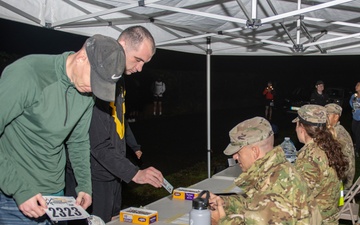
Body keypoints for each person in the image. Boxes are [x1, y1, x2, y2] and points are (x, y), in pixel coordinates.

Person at [0, 34, 125, 224]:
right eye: (95, 80)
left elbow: (79, 140)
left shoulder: (86, 90)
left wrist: (84, 185)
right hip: (15, 197)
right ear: (82, 57)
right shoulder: (27, 74)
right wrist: (19, 189)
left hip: (56, 197)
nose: (94, 90)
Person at [65, 26, 164, 223]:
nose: (140, 68)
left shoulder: (119, 81)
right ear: (122, 45)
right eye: (138, 60)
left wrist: (132, 147)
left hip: (113, 172)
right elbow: (98, 144)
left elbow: (119, 119)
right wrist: (134, 173)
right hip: (91, 177)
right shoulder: (95, 79)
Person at [209, 116, 320, 225]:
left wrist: (220, 221)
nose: (235, 157)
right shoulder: (277, 170)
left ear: (255, 151)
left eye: (238, 152)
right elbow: (255, 204)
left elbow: (268, 204)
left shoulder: (277, 187)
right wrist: (224, 203)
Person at [293, 104, 348, 224]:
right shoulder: (329, 147)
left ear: (302, 127)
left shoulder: (310, 157)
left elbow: (296, 199)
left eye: (297, 124)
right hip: (329, 217)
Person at [325, 103, 355, 189]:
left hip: (339, 182)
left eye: (327, 115)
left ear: (336, 117)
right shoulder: (331, 131)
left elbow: (347, 164)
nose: (324, 117)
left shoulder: (339, 134)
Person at [349, 81, 360, 158]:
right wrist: (353, 103)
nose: (356, 86)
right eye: (356, 84)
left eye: (358, 85)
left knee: (358, 134)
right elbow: (350, 103)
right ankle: (356, 144)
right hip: (355, 118)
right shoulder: (354, 95)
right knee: (354, 131)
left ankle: (356, 151)